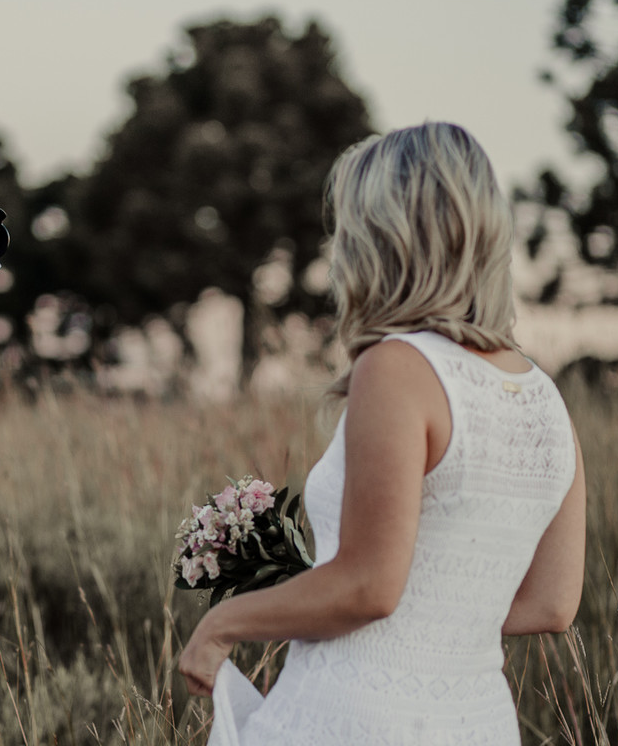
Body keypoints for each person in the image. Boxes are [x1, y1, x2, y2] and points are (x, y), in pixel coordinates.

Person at [178, 122, 586, 744]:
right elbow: (553, 603)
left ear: (382, 238)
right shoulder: (544, 399)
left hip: (354, 717)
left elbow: (369, 586)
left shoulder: (398, 367)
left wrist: (223, 624)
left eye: (346, 228)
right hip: (478, 724)